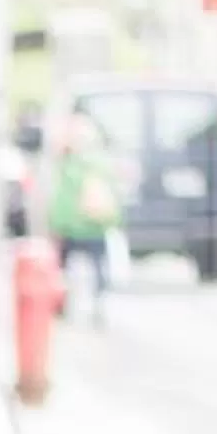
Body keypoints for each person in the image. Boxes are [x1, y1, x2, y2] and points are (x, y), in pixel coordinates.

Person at [48, 112, 122, 326]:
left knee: (64, 269)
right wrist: (112, 222)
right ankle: (98, 305)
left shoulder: (68, 164)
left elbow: (62, 200)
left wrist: (56, 225)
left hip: (71, 227)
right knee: (98, 267)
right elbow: (112, 196)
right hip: (96, 226)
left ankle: (63, 306)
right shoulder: (102, 163)